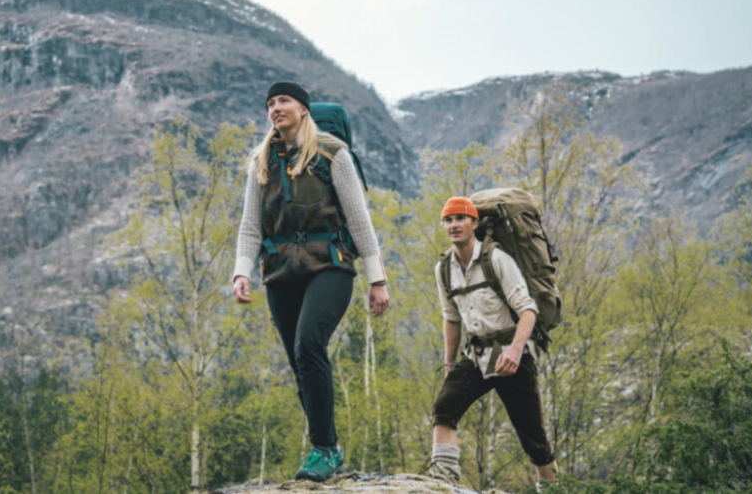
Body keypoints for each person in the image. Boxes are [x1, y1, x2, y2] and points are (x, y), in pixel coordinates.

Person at [232, 82, 391, 482]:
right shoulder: (260, 161)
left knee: (309, 345)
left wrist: (378, 280)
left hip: (330, 265)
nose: (275, 108)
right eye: (269, 103)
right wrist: (241, 272)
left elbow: (358, 219)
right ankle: (331, 448)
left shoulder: (332, 154)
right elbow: (251, 226)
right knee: (299, 362)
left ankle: (321, 449)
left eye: (283, 101)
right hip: (280, 271)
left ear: (303, 109)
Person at [428, 196, 558, 490]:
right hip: (476, 353)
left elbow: (528, 310)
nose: (454, 225)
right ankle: (443, 482)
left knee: (534, 440)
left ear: (474, 223)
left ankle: (554, 489)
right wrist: (449, 364)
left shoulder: (497, 259)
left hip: (512, 354)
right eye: (448, 220)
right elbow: (451, 319)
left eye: (460, 218)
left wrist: (514, 351)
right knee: (444, 409)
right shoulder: (444, 268)